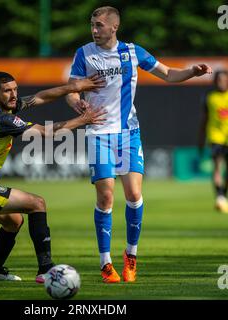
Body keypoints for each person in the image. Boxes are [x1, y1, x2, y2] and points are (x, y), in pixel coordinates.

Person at [66, 6, 212, 283]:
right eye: (92, 25)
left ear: (113, 27)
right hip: (98, 132)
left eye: (98, 25)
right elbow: (70, 91)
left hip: (127, 133)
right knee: (106, 196)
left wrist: (192, 71)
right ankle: (105, 263)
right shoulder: (84, 53)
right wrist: (79, 104)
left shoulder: (133, 52)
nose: (94, 30)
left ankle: (131, 256)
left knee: (134, 195)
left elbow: (168, 74)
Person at [0, 71, 106, 282]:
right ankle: (46, 270)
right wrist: (84, 119)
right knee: (37, 203)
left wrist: (73, 87)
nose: (13, 95)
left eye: (15, 89)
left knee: (13, 222)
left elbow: (40, 97)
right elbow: (46, 133)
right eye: (7, 91)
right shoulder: (0, 119)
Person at [198, 70, 228, 214]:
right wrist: (200, 140)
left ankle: (223, 195)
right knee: (217, 167)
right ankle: (220, 196)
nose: (221, 82)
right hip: (216, 137)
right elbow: (204, 120)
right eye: (218, 80)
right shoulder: (209, 97)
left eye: (223, 80)